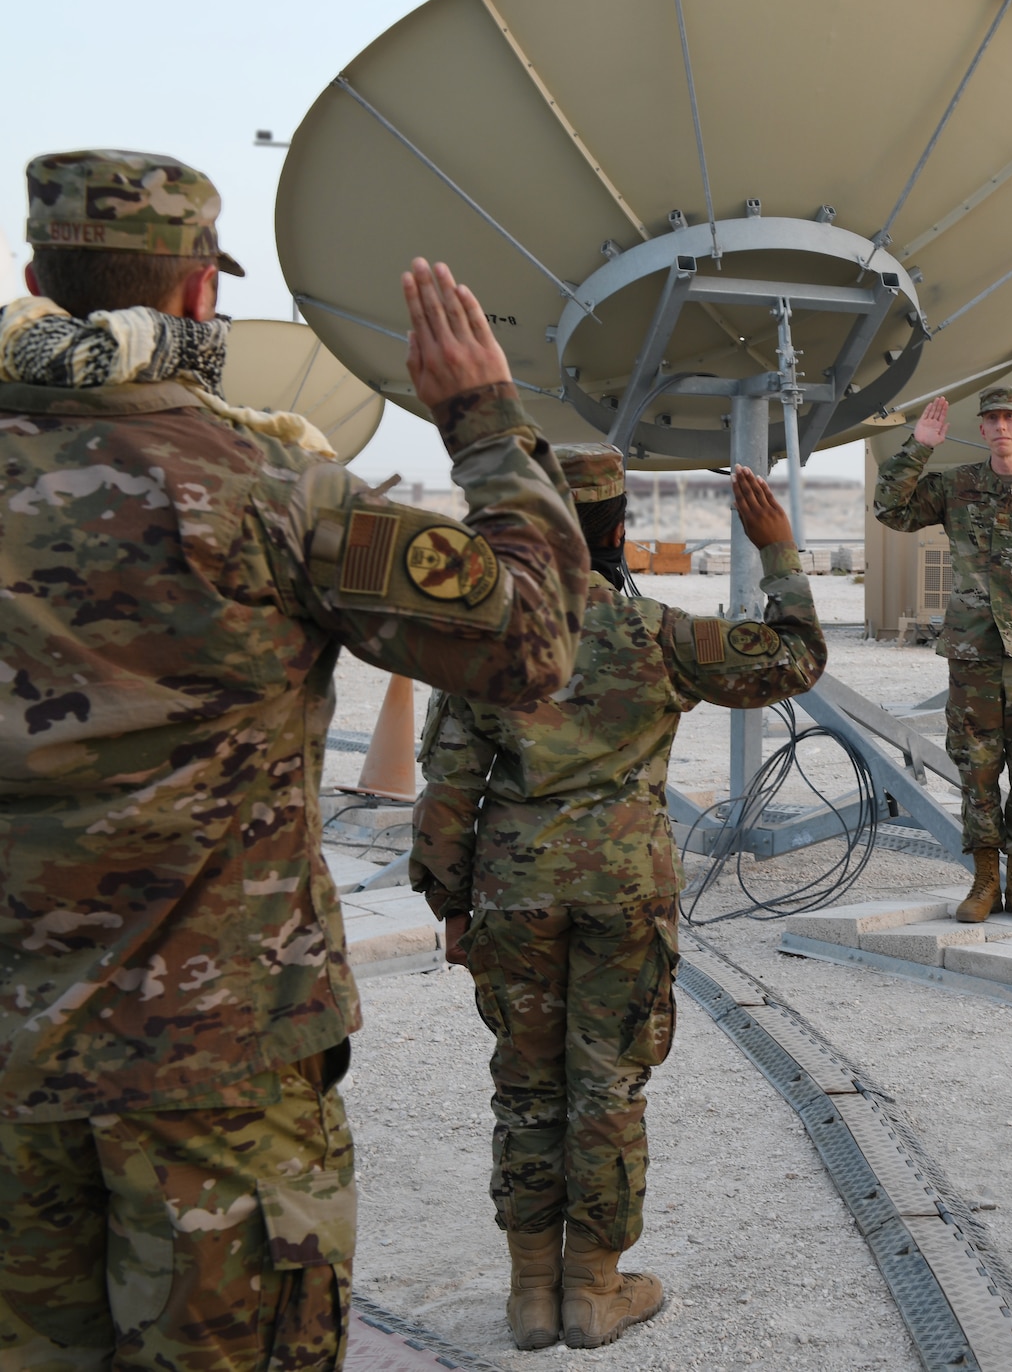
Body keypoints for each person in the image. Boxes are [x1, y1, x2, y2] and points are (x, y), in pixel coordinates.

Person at [0, 150, 589, 1369]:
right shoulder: (275, 490)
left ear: (33, 281)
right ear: (200, 299)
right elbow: (533, 643)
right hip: (215, 1076)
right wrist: (481, 421)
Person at [411, 446, 824, 1351]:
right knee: (607, 1085)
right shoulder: (657, 634)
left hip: (512, 897)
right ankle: (594, 1289)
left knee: (525, 1085)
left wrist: (450, 905)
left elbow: (448, 788)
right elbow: (794, 660)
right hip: (625, 893)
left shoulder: (489, 640)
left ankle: (531, 1293)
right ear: (617, 533)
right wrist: (777, 552)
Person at [873, 386, 1012, 923]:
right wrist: (919, 446)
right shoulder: (957, 486)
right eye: (991, 418)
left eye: (1010, 418)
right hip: (972, 653)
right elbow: (890, 510)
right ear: (983, 427)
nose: (1000, 427)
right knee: (976, 768)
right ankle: (983, 879)